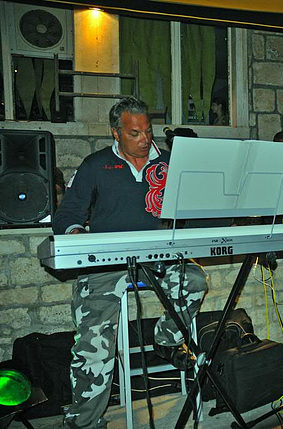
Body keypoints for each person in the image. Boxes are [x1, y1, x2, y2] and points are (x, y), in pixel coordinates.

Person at [53, 97, 209, 429]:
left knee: (194, 280)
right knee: (93, 344)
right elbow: (67, 214)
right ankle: (83, 422)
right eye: (134, 133)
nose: (144, 139)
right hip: (107, 262)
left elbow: (194, 211)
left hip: (158, 256)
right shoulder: (95, 165)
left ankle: (166, 339)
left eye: (148, 131)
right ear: (116, 133)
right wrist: (76, 231)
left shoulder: (169, 163)